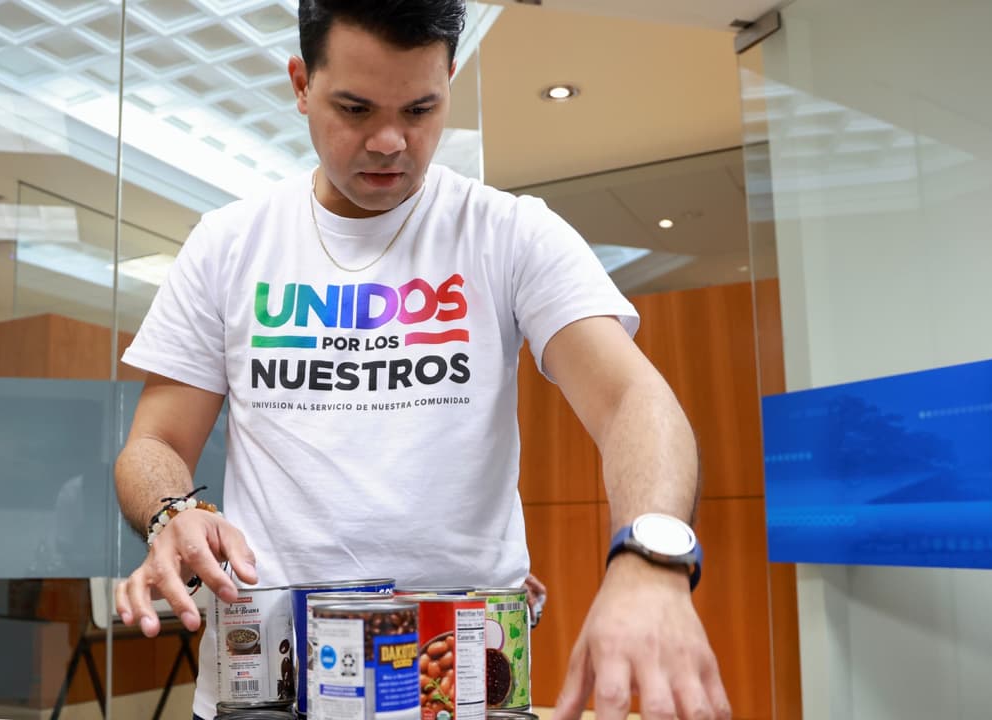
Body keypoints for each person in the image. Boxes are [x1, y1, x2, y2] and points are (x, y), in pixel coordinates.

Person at [113, 2, 731, 719]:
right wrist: (171, 514)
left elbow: (633, 400)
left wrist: (649, 561)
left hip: (462, 685)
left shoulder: (509, 233)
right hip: (268, 686)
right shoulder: (228, 244)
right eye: (355, 107)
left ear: (449, 82)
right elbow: (153, 443)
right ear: (300, 85)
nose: (388, 141)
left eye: (419, 109)